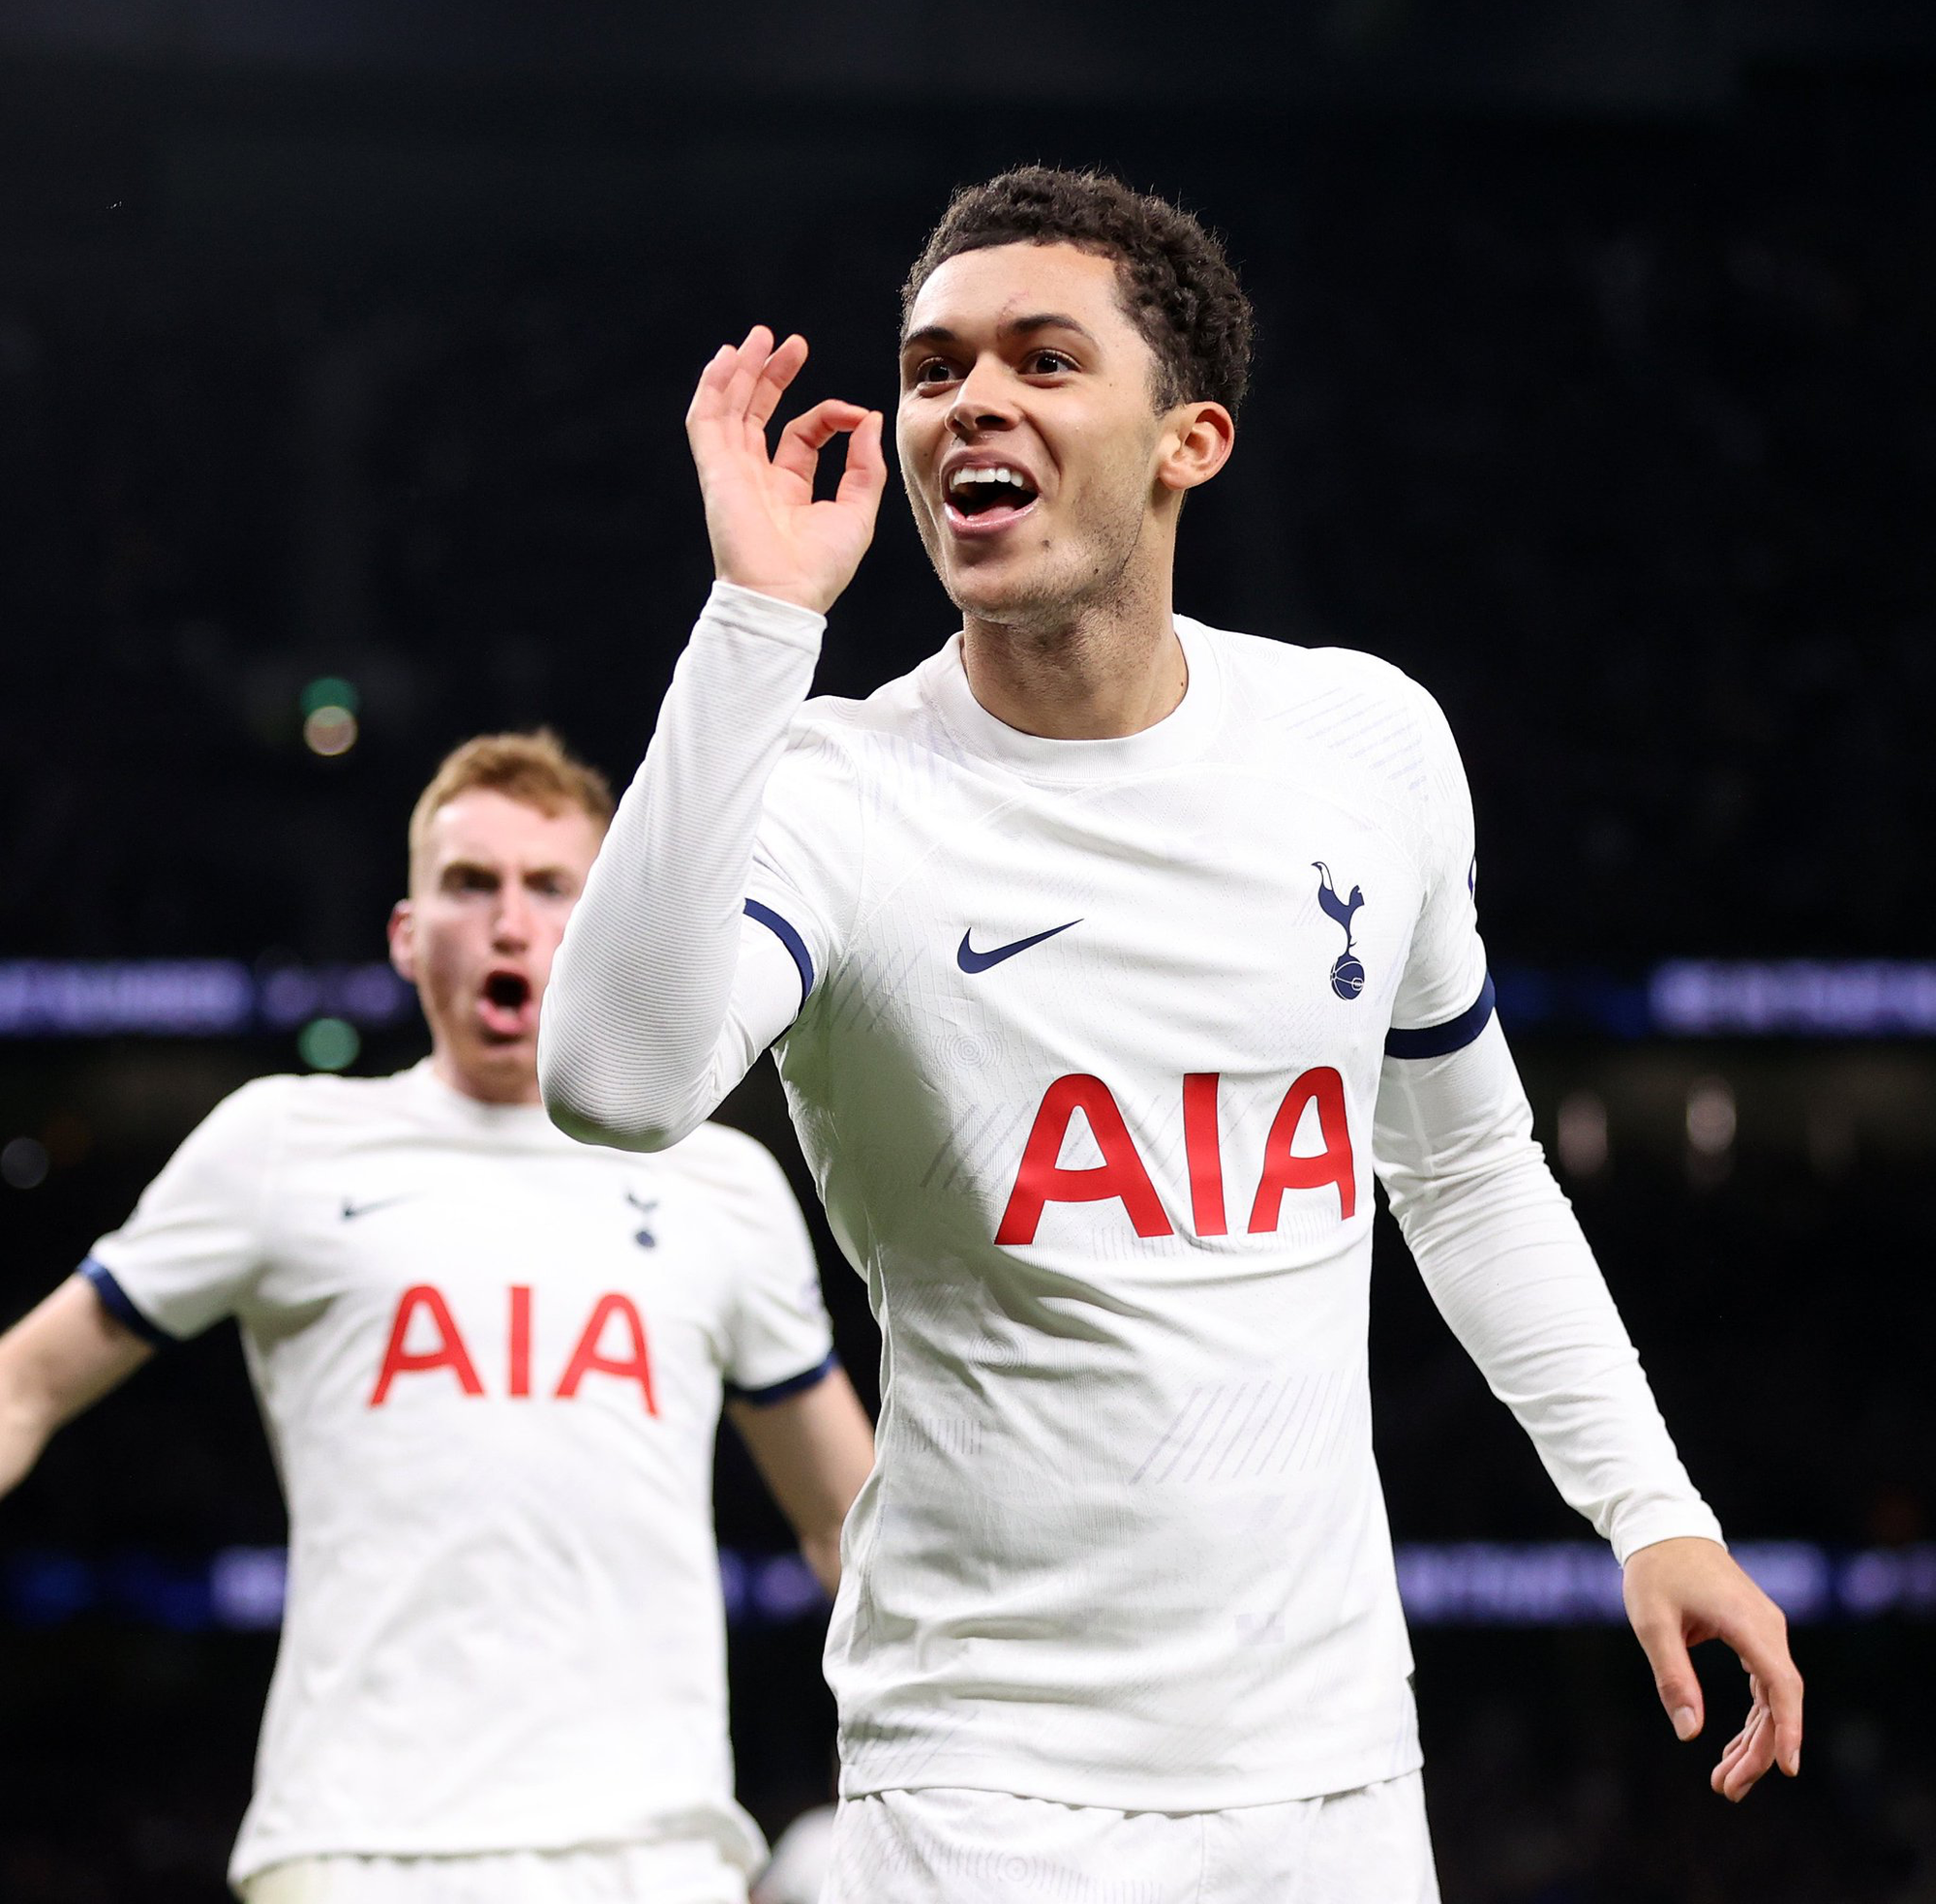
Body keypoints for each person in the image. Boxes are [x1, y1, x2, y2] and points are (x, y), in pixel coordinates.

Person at [538, 168, 1804, 1900]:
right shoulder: (837, 794)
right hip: (986, 1788)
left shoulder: (1367, 744)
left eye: (1043, 359)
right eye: (933, 369)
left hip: (1336, 1776)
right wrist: (759, 619)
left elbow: (1467, 1172)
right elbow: (612, 1087)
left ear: (1189, 440)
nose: (970, 400)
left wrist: (1654, 1511)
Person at [0, 730, 875, 1904]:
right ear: (408, 936)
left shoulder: (721, 1184)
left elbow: (848, 1527)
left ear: (604, 926)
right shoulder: (282, 1144)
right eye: (470, 883)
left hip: (652, 1848)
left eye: (549, 885)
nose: (509, 920)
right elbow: (24, 1383)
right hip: (357, 1842)